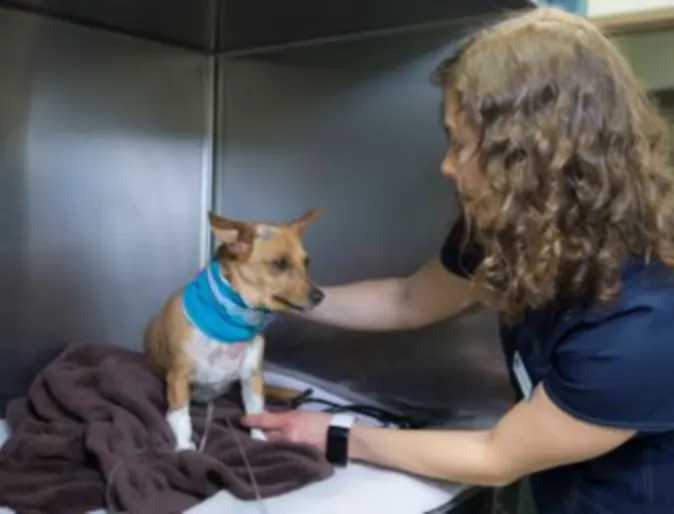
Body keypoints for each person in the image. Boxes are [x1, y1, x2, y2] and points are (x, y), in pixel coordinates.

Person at [243, 7, 674, 513]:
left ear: (530, 156)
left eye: (460, 143)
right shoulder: (515, 231)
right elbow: (408, 300)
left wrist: (334, 435)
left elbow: (497, 456)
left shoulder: (644, 320)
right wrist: (273, 295)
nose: (446, 166)